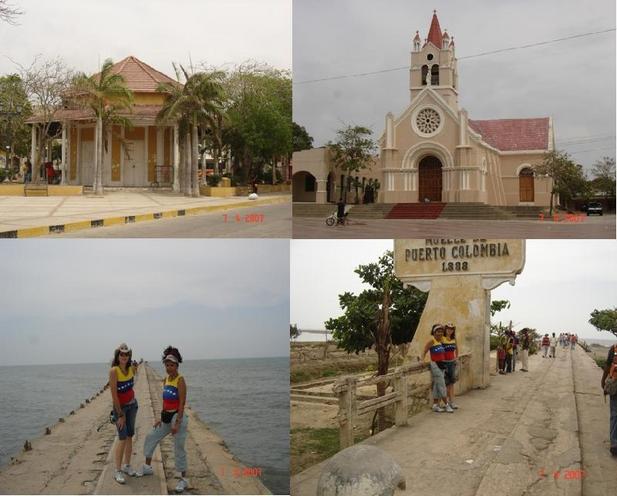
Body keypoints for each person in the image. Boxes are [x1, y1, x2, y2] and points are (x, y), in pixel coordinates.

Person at [138, 346, 190, 492]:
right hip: (166, 418)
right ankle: (147, 467)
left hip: (177, 418)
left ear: (177, 365)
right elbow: (165, 402)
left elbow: (182, 403)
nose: (169, 367)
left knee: (178, 448)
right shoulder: (166, 379)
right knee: (151, 436)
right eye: (167, 365)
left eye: (172, 365)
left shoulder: (180, 380)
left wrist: (177, 423)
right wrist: (160, 418)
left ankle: (183, 479)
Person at [109, 343, 139, 484]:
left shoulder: (132, 369)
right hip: (120, 409)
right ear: (117, 355)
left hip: (132, 406)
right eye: (121, 354)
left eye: (126, 354)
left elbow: (136, 369)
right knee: (121, 438)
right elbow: (114, 395)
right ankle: (118, 471)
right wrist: (120, 415)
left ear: (129, 356)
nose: (124, 356)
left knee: (129, 436)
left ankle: (127, 466)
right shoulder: (114, 371)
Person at [423, 324, 453, 413]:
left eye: (441, 331)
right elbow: (424, 351)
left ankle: (435, 405)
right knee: (442, 385)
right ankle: (447, 405)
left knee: (437, 385)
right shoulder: (431, 341)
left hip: (442, 365)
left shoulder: (441, 341)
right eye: (438, 331)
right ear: (434, 332)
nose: (440, 333)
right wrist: (422, 361)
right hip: (435, 364)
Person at [600, 343, 617, 456]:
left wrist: (603, 381)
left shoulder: (614, 348)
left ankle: (614, 444)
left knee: (615, 414)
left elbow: (607, 365)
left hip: (615, 384)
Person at [442, 323, 459, 409]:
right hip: (444, 363)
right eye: (448, 328)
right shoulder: (442, 338)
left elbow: (457, 349)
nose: (450, 330)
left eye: (452, 329)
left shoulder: (453, 339)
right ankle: (447, 402)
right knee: (446, 383)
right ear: (445, 329)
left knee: (451, 383)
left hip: (452, 362)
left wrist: (456, 358)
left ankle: (452, 401)